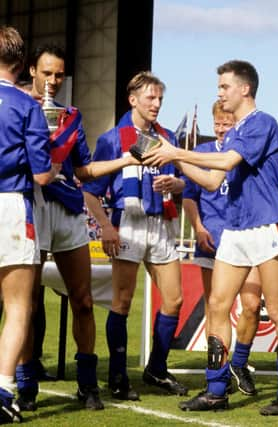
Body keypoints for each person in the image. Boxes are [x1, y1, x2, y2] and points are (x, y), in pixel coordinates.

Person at [143, 60, 278, 416]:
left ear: (244, 89)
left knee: (276, 310)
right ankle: (216, 390)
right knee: (216, 305)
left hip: (266, 226)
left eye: (224, 87)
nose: (219, 93)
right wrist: (175, 160)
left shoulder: (263, 122)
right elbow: (214, 181)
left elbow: (227, 162)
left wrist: (176, 152)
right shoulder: (235, 132)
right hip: (236, 228)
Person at [15, 44, 139, 412]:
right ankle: (25, 386)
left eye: (58, 75)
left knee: (83, 301)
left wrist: (123, 161)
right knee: (27, 304)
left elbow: (83, 171)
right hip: (30, 207)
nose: (53, 80)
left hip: (68, 209)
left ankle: (87, 385)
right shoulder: (19, 109)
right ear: (32, 72)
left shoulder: (71, 117)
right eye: (47, 73)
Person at [82, 71, 188, 401]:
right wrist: (106, 226)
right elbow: (89, 191)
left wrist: (176, 185)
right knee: (123, 301)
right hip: (127, 221)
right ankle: (117, 377)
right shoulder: (114, 138)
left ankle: (156, 368)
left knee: (174, 299)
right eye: (150, 98)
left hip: (161, 223)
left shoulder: (167, 137)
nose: (156, 104)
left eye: (159, 99)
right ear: (133, 100)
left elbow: (184, 182)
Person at [182, 100, 261, 396]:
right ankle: (217, 371)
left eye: (227, 123)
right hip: (211, 241)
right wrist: (199, 228)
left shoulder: (245, 150)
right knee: (216, 307)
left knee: (252, 305)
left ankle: (239, 363)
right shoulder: (202, 152)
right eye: (217, 123)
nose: (221, 128)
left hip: (244, 238)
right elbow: (189, 196)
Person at [0, 25, 58, 423]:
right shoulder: (27, 107)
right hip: (12, 206)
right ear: (22, 64)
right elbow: (41, 176)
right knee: (19, 306)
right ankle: (3, 389)